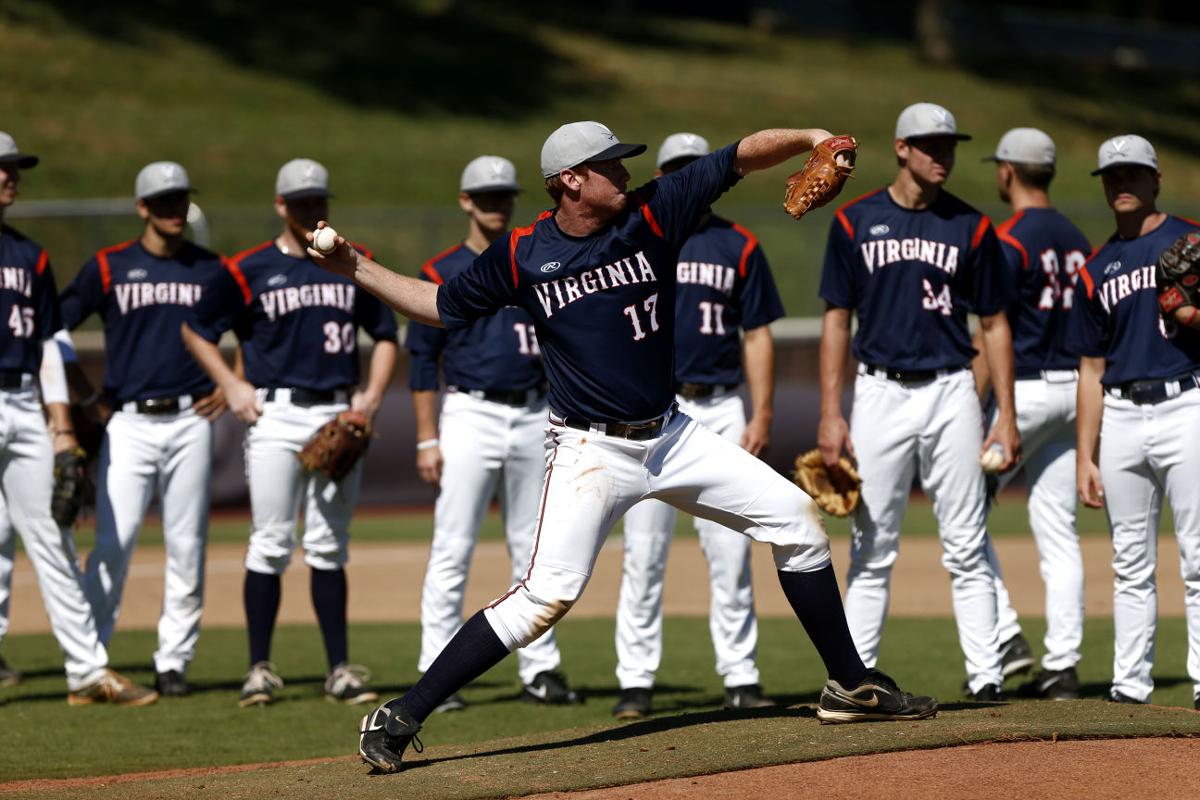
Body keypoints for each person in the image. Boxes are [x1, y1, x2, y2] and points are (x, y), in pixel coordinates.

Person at [305, 120, 937, 773]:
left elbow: (739, 156)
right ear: (569, 180)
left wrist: (812, 136)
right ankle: (399, 714)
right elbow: (439, 304)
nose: (624, 172)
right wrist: (353, 265)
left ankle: (848, 684)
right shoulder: (523, 252)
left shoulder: (655, 211)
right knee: (543, 598)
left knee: (797, 524)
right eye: (609, 164)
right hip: (590, 452)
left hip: (671, 434)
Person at [817, 103, 1021, 701]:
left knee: (965, 540)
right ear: (901, 147)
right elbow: (835, 320)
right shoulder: (855, 222)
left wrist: (1004, 414)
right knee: (871, 545)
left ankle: (987, 678)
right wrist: (831, 413)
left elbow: (996, 324)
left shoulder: (972, 226)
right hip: (878, 390)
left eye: (950, 145)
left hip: (952, 389)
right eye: (931, 144)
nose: (943, 154)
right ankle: (854, 681)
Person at [181, 158, 399, 707]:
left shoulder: (352, 261)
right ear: (280, 205)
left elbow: (386, 332)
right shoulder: (247, 268)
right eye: (300, 203)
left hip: (336, 413)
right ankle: (259, 668)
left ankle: (339, 670)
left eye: (318, 202)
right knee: (271, 541)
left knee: (329, 545)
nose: (310, 211)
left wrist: (369, 400)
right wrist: (231, 385)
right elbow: (197, 329)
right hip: (276, 415)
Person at [612, 132, 785, 719]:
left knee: (732, 552)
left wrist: (761, 412)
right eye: (676, 169)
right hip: (649, 411)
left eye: (695, 168)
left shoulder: (738, 244)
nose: (688, 177)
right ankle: (635, 681)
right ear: (661, 174)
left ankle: (740, 675)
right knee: (644, 553)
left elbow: (758, 333)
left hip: (717, 406)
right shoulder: (636, 235)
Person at [407, 155, 581, 712]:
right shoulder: (440, 268)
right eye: (485, 196)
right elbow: (420, 359)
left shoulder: (536, 257)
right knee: (453, 544)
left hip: (535, 412)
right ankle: (435, 669)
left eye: (504, 195)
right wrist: (425, 437)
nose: (496, 205)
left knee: (535, 550)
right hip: (469, 412)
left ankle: (540, 668)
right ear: (465, 201)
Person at [57, 162, 227, 698]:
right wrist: (84, 397)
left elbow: (257, 324)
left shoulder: (212, 268)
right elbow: (51, 327)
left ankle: (173, 661)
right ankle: (91, 658)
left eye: (180, 200)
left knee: (187, 545)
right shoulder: (108, 266)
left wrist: (237, 380)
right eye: (163, 202)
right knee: (113, 541)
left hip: (190, 418)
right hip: (127, 420)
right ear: (142, 208)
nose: (174, 210)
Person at [0, 131, 156, 704]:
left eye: (15, 168)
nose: (12, 175)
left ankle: (87, 672)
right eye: (3, 168)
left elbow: (46, 343)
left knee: (54, 534)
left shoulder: (29, 255)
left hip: (23, 405)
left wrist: (62, 427)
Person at [1067, 134, 1200, 708]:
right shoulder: (1096, 267)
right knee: (1130, 562)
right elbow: (1089, 365)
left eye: (1131, 174)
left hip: (1186, 401)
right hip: (1119, 412)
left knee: (1199, 556)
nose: (1121, 184)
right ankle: (1129, 684)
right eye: (1111, 176)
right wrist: (1084, 453)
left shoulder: (1192, 241)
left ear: (1154, 179)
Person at [972, 129, 1092, 699]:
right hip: (1075, 393)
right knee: (1057, 530)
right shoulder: (1077, 237)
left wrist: (974, 406)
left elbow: (991, 330)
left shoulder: (1008, 238)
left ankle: (1004, 636)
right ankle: (1063, 669)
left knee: (963, 514)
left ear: (1009, 171)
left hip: (1023, 393)